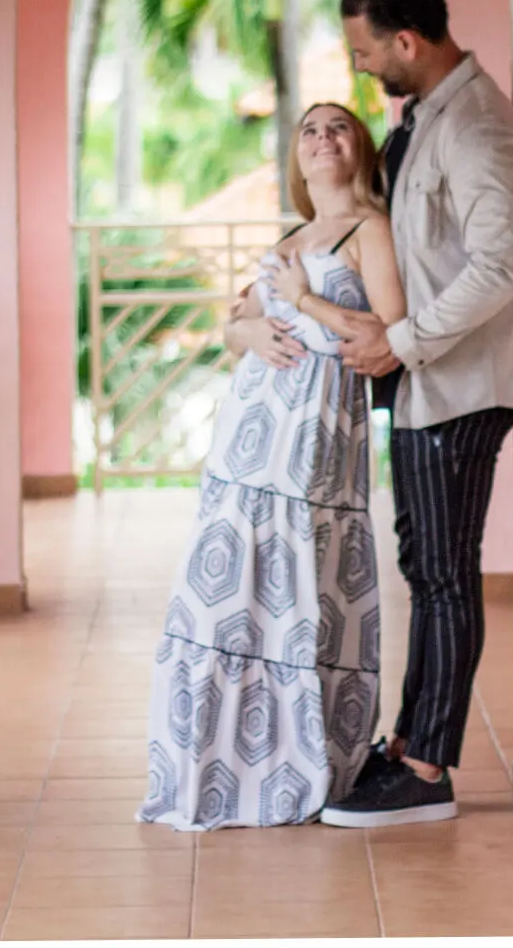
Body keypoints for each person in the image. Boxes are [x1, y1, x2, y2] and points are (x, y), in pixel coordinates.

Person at [281, 0, 513, 829]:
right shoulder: (425, 118)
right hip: (430, 380)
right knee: (427, 568)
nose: (363, 70)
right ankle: (410, 744)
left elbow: (499, 267)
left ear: (406, 41)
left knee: (441, 574)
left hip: (462, 383)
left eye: (366, 51)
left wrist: (399, 343)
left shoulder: (476, 126)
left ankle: (428, 768)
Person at [138, 103, 405, 831]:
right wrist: (249, 326)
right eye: (309, 129)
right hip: (248, 432)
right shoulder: (292, 237)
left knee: (298, 581)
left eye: (338, 127)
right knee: (223, 585)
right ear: (297, 152)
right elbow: (232, 325)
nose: (322, 137)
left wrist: (305, 300)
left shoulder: (369, 230)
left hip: (315, 431)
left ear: (361, 149)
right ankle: (219, 764)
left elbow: (391, 331)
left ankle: (294, 761)